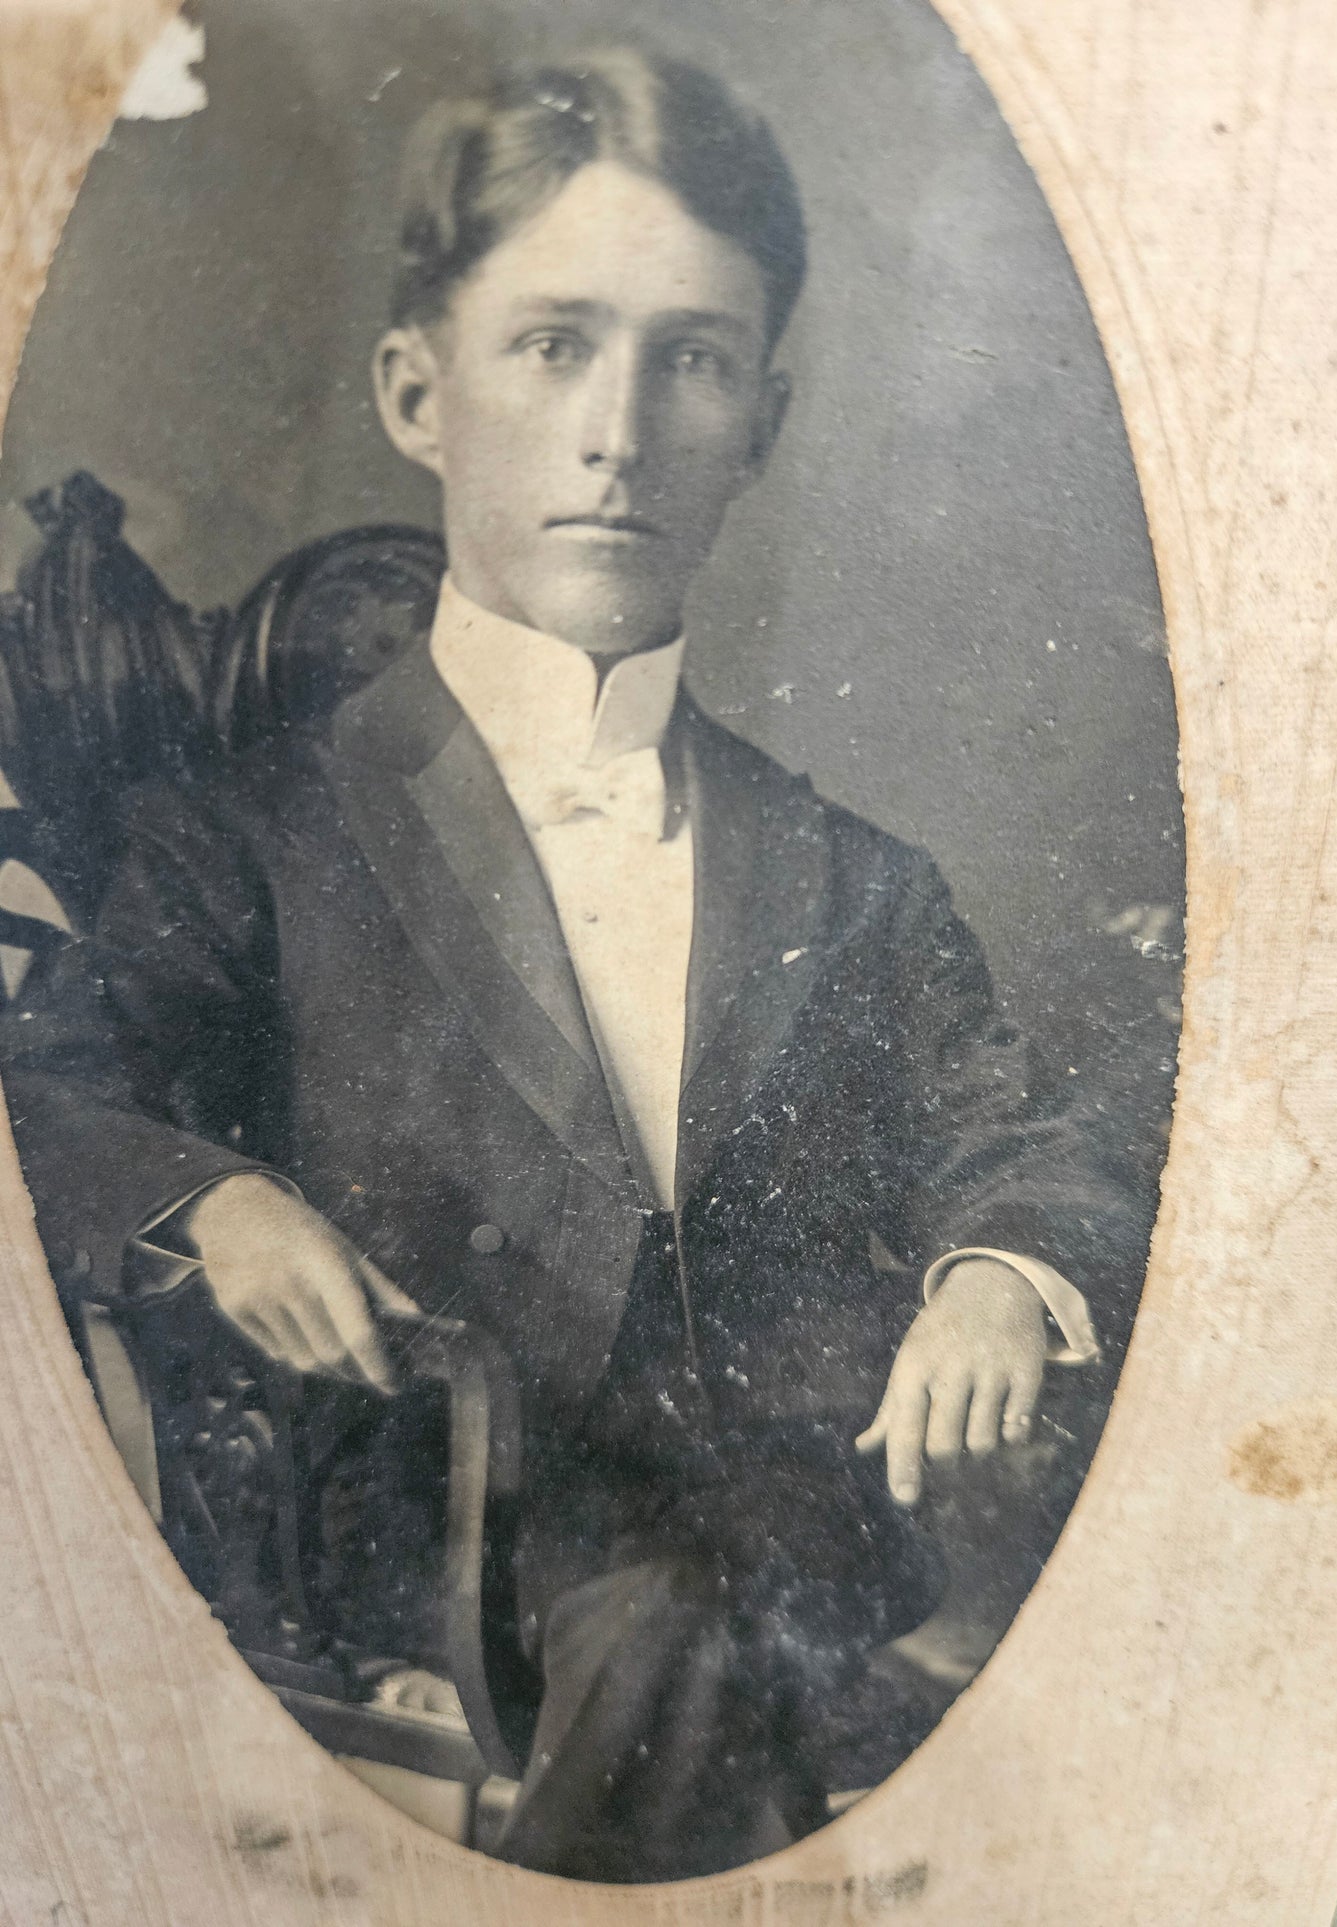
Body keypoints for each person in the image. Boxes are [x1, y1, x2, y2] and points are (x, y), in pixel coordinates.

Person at [1, 47, 1145, 1882]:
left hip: (785, 1496)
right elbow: (63, 1079)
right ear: (416, 388)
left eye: (689, 358)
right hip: (427, 1486)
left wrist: (999, 1278)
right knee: (686, 1624)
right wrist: (216, 1204)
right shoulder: (253, 830)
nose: (619, 429)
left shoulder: (851, 878)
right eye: (552, 344)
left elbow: (1019, 1138)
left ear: (757, 421)